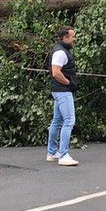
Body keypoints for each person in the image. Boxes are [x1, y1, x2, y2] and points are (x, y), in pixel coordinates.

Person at [46, 26, 79, 166]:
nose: (75, 39)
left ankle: (52, 152)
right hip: (63, 91)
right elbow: (56, 72)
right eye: (73, 37)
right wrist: (69, 83)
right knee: (69, 120)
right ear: (64, 38)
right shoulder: (60, 52)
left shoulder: (60, 50)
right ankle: (64, 155)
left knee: (57, 121)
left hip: (58, 90)